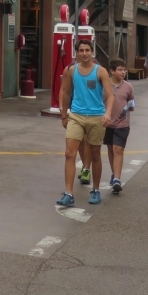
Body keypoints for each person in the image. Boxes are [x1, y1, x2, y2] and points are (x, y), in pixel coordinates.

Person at [56, 39, 114, 207]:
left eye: (87, 50)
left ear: (92, 51)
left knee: (95, 154)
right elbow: (65, 92)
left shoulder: (100, 71)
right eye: (81, 50)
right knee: (69, 154)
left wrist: (108, 113)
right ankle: (68, 193)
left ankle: (95, 190)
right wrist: (64, 115)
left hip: (96, 116)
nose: (84, 53)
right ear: (77, 52)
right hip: (76, 116)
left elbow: (110, 95)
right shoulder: (71, 70)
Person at [104, 58, 135, 194]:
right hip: (107, 123)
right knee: (111, 149)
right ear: (112, 71)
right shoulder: (105, 85)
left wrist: (129, 107)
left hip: (122, 124)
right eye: (120, 70)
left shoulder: (128, 86)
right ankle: (113, 173)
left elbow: (132, 103)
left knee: (118, 149)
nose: (123, 72)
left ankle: (117, 179)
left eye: (124, 69)